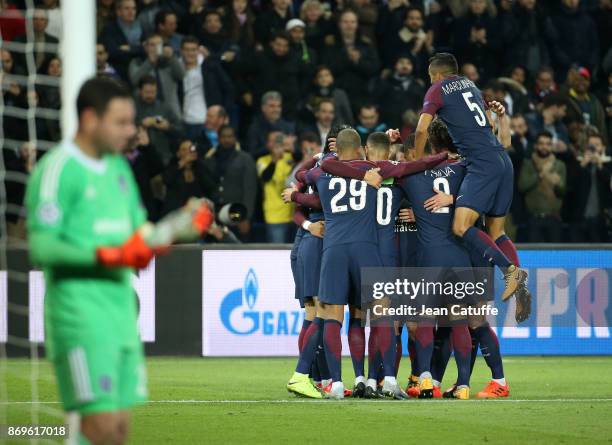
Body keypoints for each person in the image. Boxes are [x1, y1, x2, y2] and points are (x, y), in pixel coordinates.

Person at [24, 76, 212, 445]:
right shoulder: (58, 169)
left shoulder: (120, 170)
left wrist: (174, 229)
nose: (130, 131)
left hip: (123, 317)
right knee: (100, 428)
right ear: (91, 118)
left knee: (118, 432)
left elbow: (136, 236)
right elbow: (43, 248)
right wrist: (107, 256)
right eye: (122, 122)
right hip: (80, 318)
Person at [413, 52, 529, 303]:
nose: (431, 83)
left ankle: (511, 272)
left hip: (481, 163)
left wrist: (415, 159)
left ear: (437, 75)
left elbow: (422, 128)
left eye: (431, 78)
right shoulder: (472, 86)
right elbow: (493, 129)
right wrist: (502, 117)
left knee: (461, 225)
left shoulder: (438, 89)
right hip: (501, 159)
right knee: (497, 231)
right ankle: (517, 279)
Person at [203, 125, 257, 241]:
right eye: (223, 136)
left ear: (235, 138)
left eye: (230, 136)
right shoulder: (210, 159)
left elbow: (250, 189)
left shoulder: (245, 159)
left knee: (237, 249)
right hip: (214, 212)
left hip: (237, 211)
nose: (227, 140)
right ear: (218, 138)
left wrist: (245, 217)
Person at [179, 36, 235, 141]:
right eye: (187, 50)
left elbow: (228, 87)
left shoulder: (210, 66)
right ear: (181, 51)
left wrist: (223, 111)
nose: (190, 53)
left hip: (207, 121)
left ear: (198, 50)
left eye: (193, 50)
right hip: (184, 121)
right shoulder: (176, 68)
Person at [518, 131, 567, 242]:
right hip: (533, 219)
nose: (544, 147)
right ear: (536, 145)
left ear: (552, 146)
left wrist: (558, 183)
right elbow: (522, 186)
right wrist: (541, 174)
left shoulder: (559, 165)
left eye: (548, 144)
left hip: (554, 219)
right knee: (534, 255)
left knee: (555, 255)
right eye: (541, 143)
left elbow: (563, 191)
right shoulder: (528, 164)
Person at [129, 33, 185, 119]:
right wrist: (149, 63)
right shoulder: (137, 62)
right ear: (146, 47)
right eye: (152, 45)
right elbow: (135, 81)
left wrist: (172, 58)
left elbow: (181, 76)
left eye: (159, 45)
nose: (155, 48)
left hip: (171, 112)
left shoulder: (170, 61)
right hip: (146, 113)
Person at [256, 132, 295, 242]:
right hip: (275, 216)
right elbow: (265, 177)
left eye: (280, 140)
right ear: (268, 144)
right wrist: (274, 160)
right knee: (278, 253)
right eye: (274, 141)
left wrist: (292, 148)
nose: (277, 144)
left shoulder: (290, 157)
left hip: (294, 213)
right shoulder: (262, 161)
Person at [162, 139, 218, 216]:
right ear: (178, 153)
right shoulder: (173, 166)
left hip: (197, 213)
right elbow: (166, 180)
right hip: (176, 214)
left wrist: (199, 166)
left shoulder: (200, 167)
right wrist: (183, 163)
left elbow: (211, 187)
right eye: (185, 149)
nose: (190, 151)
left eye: (191, 148)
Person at [134, 75, 182, 166]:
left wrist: (168, 127)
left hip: (163, 157)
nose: (150, 95)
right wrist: (141, 124)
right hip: (139, 158)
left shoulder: (164, 107)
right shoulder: (131, 108)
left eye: (153, 92)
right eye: (147, 92)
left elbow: (181, 129)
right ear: (140, 91)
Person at [99, 0, 143, 81]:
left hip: (141, 71)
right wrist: (137, 49)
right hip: (120, 75)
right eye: (127, 8)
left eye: (133, 8)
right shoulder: (109, 29)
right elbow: (113, 52)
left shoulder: (141, 27)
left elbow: (145, 49)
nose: (131, 12)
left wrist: (130, 49)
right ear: (118, 12)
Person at [245, 91, 296, 158]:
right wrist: (269, 147)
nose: (276, 109)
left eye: (279, 106)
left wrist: (292, 148)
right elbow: (251, 154)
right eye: (272, 106)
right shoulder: (255, 128)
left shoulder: (288, 126)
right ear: (263, 108)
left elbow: (298, 151)